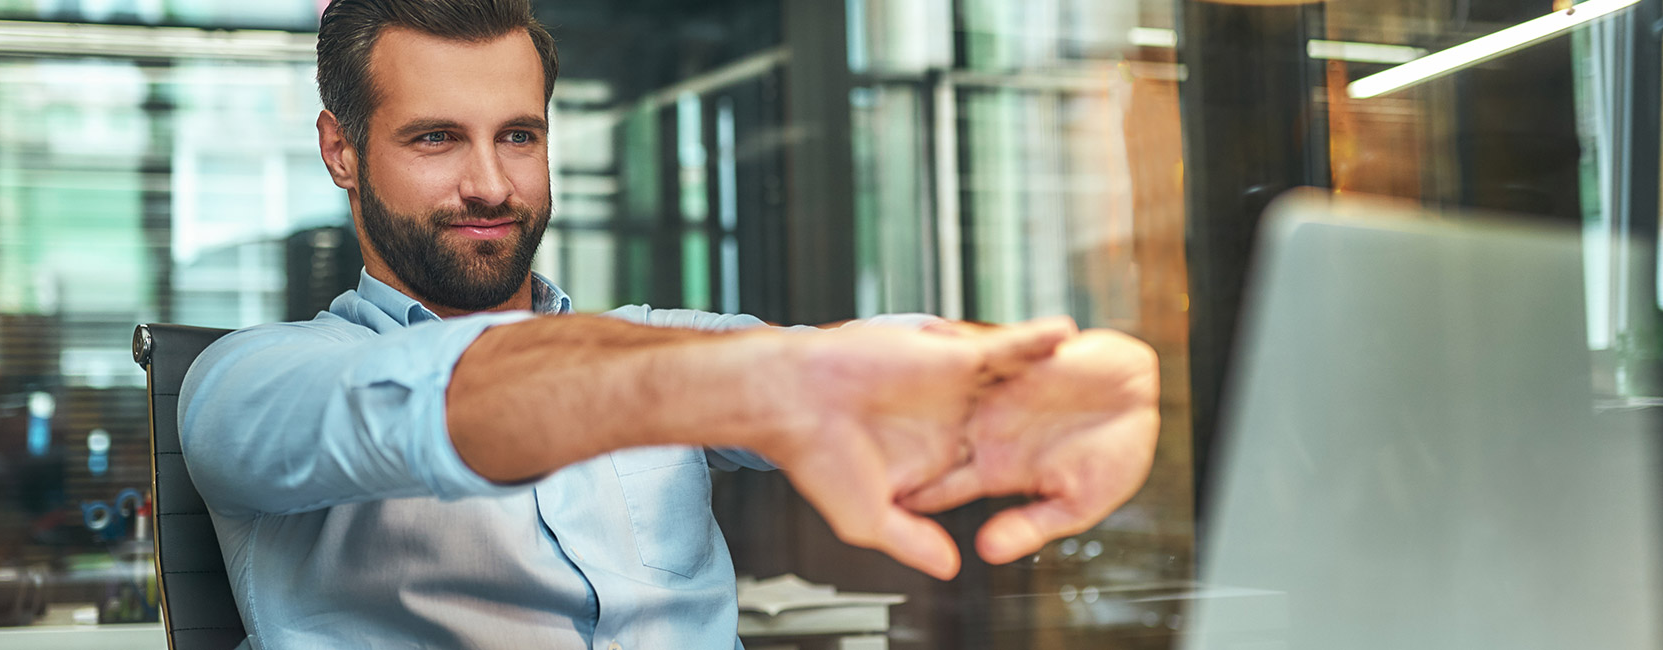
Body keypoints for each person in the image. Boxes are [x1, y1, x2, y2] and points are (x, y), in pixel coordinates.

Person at [179, 0, 1161, 647]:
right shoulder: (252, 383)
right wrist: (757, 384)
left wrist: (1017, 382)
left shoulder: (661, 339)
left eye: (518, 136)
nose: (489, 183)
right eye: (436, 138)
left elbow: (835, 364)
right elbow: (431, 396)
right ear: (340, 151)